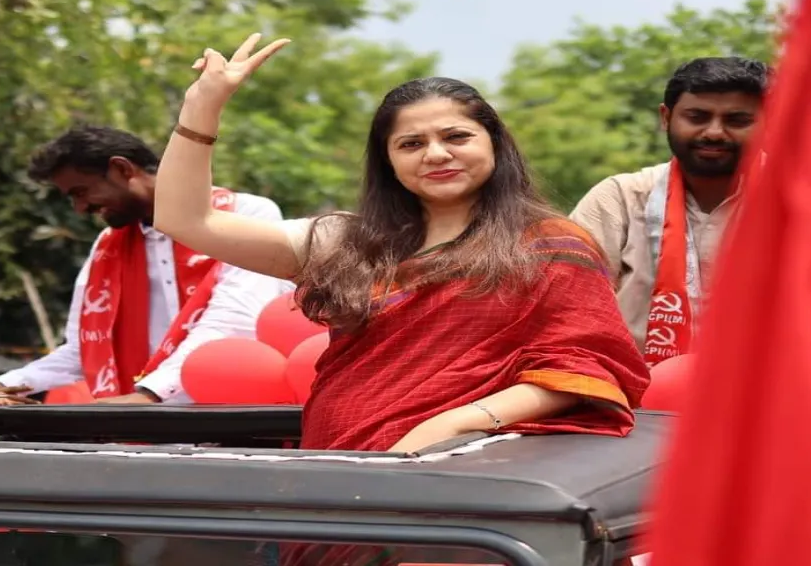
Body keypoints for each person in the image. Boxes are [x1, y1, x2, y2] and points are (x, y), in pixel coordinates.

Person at [153, 33, 649, 457]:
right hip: (340, 471)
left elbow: (585, 366)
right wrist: (203, 105)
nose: (436, 154)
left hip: (466, 477)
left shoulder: (551, 245)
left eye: (456, 136)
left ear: (494, 143)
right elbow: (186, 219)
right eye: (410, 144)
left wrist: (456, 423)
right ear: (388, 160)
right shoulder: (349, 244)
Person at [0, 126, 291, 409]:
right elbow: (84, 348)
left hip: (237, 422)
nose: (80, 208)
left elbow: (234, 321)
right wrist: (5, 383)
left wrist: (148, 395)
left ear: (122, 169)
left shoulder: (245, 214)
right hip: (147, 431)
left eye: (81, 192)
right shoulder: (107, 247)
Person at [569, 57, 770, 366]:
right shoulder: (621, 198)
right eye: (697, 117)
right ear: (666, 117)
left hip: (768, 396)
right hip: (633, 397)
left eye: (737, 120)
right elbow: (568, 310)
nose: (715, 132)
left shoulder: (804, 203)